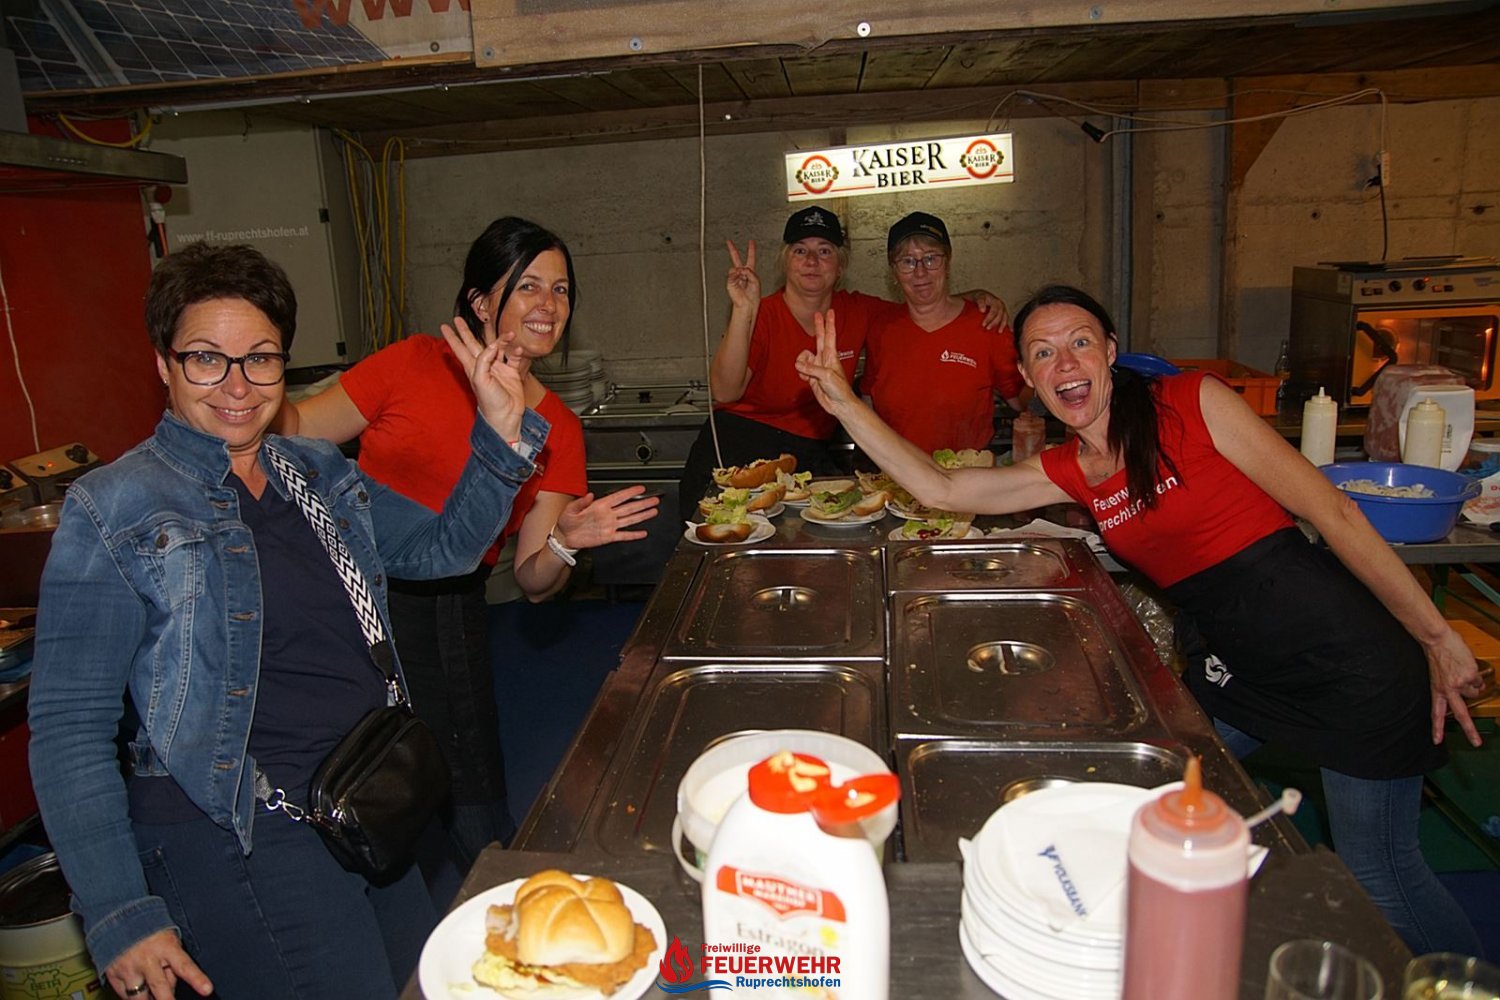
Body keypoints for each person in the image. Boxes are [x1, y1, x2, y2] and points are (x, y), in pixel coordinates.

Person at [794, 284, 1485, 956]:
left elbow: (1334, 512)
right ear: (1028, 378)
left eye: (1079, 343)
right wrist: (847, 404)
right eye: (1042, 353)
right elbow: (943, 488)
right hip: (1243, 669)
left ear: (1111, 350)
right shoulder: (1070, 467)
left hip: (1346, 663)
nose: (1064, 363)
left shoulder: (1192, 403)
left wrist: (1437, 637)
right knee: (1153, 789)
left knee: (1381, 877)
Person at [26, 242, 546, 1000]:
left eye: (260, 359)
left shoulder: (315, 470)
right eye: (207, 359)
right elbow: (69, 725)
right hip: (240, 828)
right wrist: (118, 910)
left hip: (359, 798)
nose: (237, 385)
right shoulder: (117, 506)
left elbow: (444, 550)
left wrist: (500, 432)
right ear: (164, 365)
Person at [279, 217, 658, 866]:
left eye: (561, 289)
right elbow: (295, 429)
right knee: (346, 766)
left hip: (444, 613)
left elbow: (534, 581)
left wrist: (566, 542)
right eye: (528, 286)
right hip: (348, 594)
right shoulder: (412, 363)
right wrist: (243, 385)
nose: (549, 304)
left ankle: (499, 896)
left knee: (469, 795)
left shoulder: (556, 427)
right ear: (482, 303)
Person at [677, 205, 1007, 516]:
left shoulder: (858, 311)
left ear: (840, 265)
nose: (812, 261)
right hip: (739, 448)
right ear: (784, 261)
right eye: (800, 250)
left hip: (807, 455)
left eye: (824, 251)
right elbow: (725, 391)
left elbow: (922, 302)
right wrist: (743, 309)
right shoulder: (762, 313)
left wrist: (976, 297)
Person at [861, 212, 1025, 454]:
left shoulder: (987, 324)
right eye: (907, 261)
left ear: (947, 263)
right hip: (898, 471)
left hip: (967, 470)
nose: (920, 272)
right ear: (894, 271)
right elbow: (868, 399)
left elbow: (1021, 399)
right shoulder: (881, 328)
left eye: (931, 258)